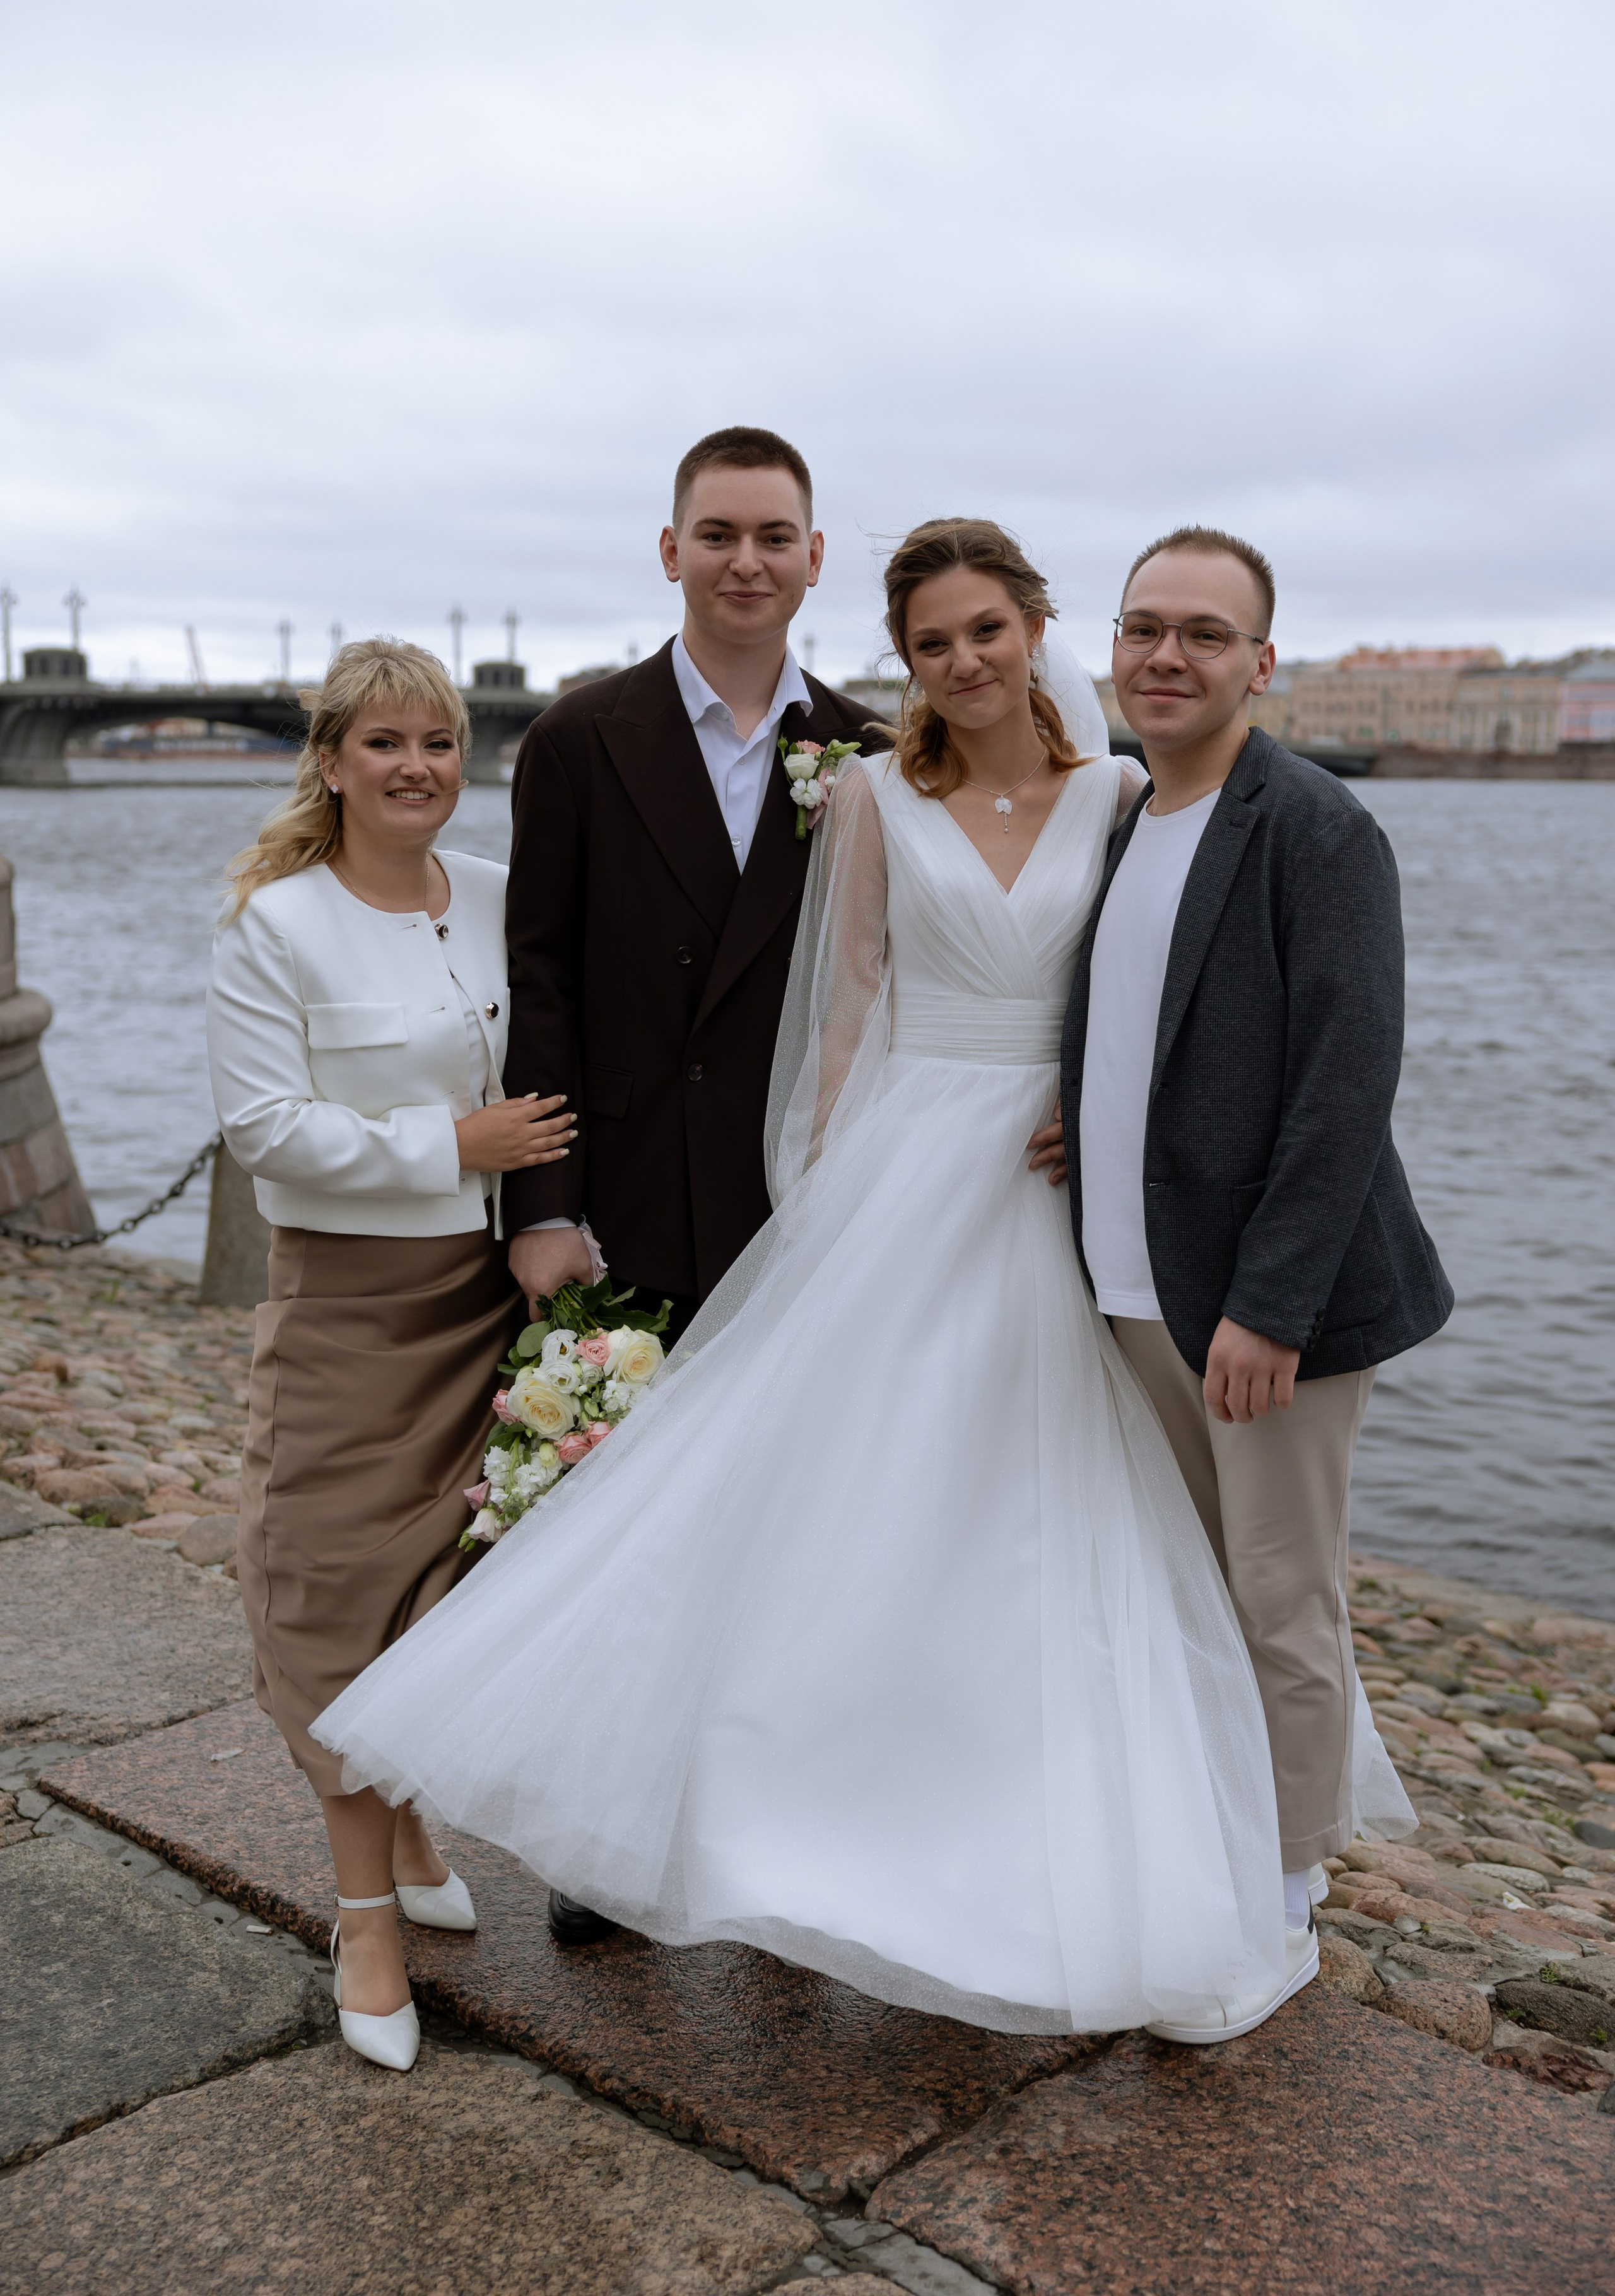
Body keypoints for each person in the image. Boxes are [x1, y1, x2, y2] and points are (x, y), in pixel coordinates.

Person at [314, 521, 1313, 2047]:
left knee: (1030, 1519)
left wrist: (1091, 1095)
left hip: (1048, 1190)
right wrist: (828, 1209)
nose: (965, 662)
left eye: (988, 630)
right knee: (852, 1504)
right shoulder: (866, 796)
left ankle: (1015, 1835)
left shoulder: (1118, 796)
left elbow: (1143, 994)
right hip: (907, 1173)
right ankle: (786, 1821)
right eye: (930, 643)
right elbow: (840, 1021)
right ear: (902, 662)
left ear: (1037, 628)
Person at [1032, 525, 1449, 1944]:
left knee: (1280, 1598)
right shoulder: (1122, 818)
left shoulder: (1316, 829)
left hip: (1264, 1306)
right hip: (1135, 1284)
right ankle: (1218, 1830)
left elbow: (1344, 1087)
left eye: (1203, 634)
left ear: (1258, 662)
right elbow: (1152, 1030)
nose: (1166, 654)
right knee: (1182, 1587)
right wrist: (1079, 1122)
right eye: (1144, 626)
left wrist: (1269, 1309)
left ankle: (1284, 1885)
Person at [207, 639, 575, 2072]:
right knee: (332, 1602)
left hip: (491, 1301)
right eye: (383, 744)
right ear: (332, 761)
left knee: (464, 1601)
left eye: (436, 741)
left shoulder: (494, 897)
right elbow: (263, 1132)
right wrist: (451, 1146)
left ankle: (409, 1816)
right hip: (352, 1316)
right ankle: (366, 1913)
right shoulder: (273, 925)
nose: (415, 766)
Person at [500, 423, 883, 1344]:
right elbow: (541, 983)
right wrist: (543, 1211)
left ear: (815, 557)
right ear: (672, 552)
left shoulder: (873, 755)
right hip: (626, 1196)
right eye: (717, 536)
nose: (745, 563)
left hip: (805, 1194)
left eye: (774, 538)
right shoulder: (576, 740)